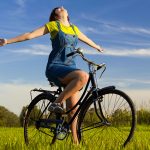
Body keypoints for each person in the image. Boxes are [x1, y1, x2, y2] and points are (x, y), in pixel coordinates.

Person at [0, 6, 103, 144]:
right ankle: (56, 103)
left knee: (73, 110)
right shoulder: (53, 25)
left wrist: (97, 46)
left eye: (63, 7)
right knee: (83, 76)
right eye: (58, 8)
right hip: (56, 67)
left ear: (68, 14)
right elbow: (30, 34)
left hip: (71, 70)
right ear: (55, 15)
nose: (61, 7)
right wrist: (7, 41)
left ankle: (75, 143)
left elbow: (86, 39)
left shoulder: (74, 29)